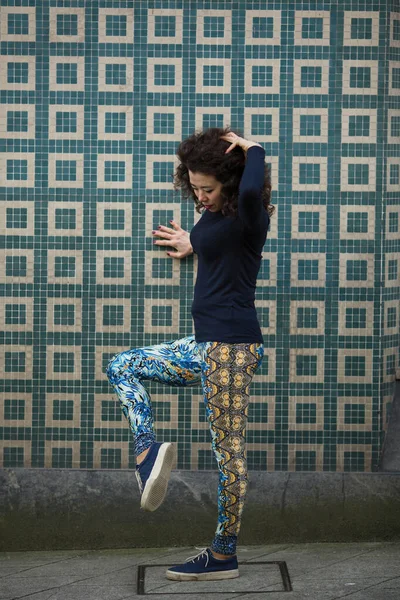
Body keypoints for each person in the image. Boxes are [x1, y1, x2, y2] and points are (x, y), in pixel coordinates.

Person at [106, 127, 274, 581]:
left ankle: (223, 554)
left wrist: (254, 147)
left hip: (231, 350)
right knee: (122, 364)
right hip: (204, 345)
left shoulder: (251, 214)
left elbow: (254, 189)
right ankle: (146, 452)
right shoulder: (215, 216)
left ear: (233, 186)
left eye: (208, 189)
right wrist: (192, 243)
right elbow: (219, 250)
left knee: (228, 453)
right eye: (194, 187)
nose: (199, 197)